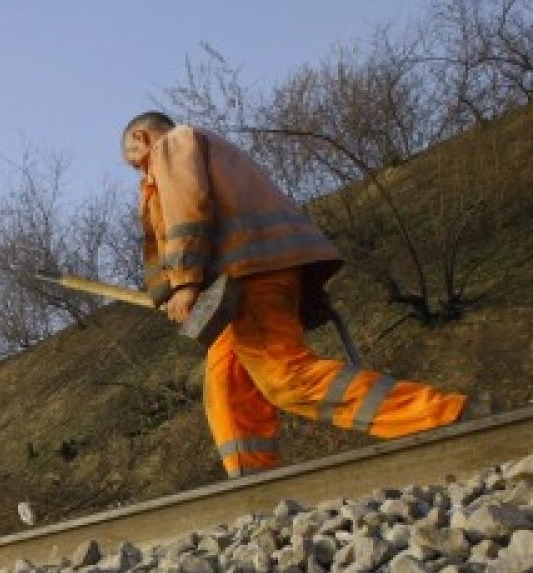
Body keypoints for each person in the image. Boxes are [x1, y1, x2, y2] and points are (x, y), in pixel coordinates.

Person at [121, 111, 474, 479]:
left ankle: (446, 415)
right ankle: (254, 482)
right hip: (255, 273)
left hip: (249, 274)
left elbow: (187, 209)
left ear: (142, 138)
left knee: (287, 379)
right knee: (226, 381)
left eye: (135, 162)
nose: (141, 172)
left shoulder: (172, 144)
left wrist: (184, 283)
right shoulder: (214, 150)